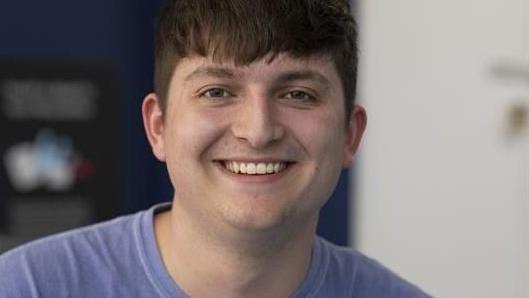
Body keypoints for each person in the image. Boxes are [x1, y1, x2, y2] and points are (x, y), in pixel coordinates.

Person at [0, 0, 431, 297]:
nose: (258, 131)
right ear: (158, 127)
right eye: (217, 91)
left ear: (350, 135)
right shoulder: (26, 288)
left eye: (298, 94)